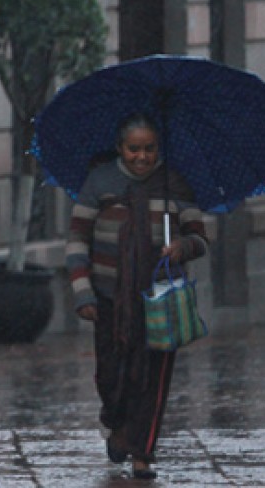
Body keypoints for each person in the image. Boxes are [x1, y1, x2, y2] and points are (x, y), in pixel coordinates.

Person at [66, 112, 208, 480]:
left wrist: (182, 246)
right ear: (120, 148)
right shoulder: (99, 182)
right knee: (111, 376)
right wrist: (83, 292)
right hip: (109, 298)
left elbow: (199, 237)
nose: (142, 157)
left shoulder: (173, 184)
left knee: (154, 377)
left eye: (149, 149)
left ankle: (143, 451)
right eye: (134, 149)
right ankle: (117, 423)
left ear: (158, 148)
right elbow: (78, 238)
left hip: (161, 299)